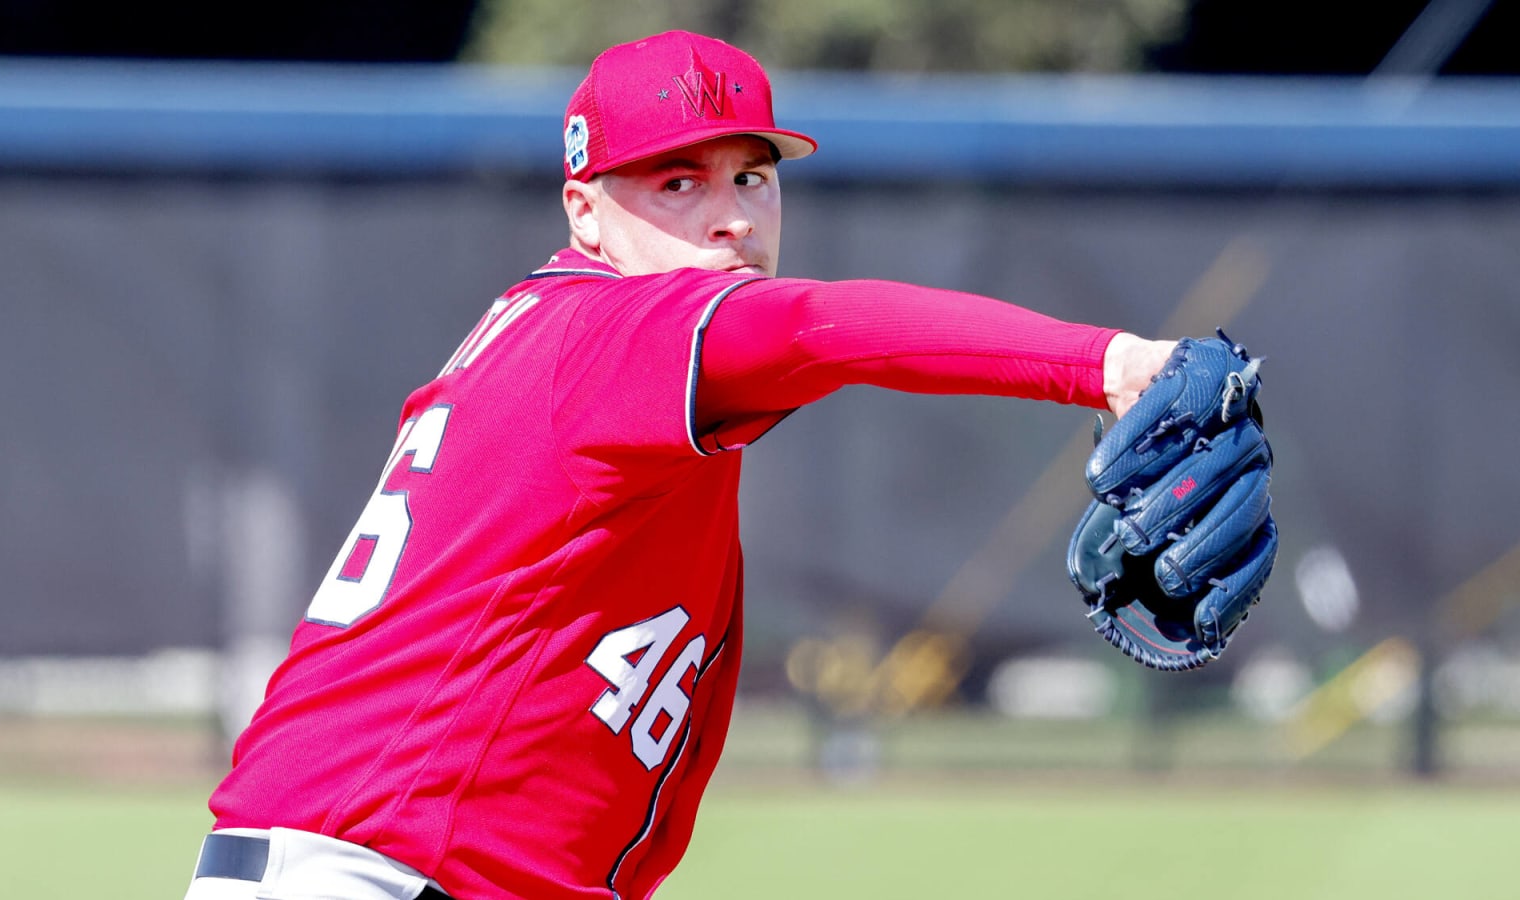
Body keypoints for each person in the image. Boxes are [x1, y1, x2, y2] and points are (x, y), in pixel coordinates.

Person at [183, 29, 1176, 900]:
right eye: (676, 181)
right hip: (384, 866)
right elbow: (824, 329)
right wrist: (1112, 365)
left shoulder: (569, 341)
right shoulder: (617, 332)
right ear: (584, 209)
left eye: (750, 175)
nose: (731, 214)